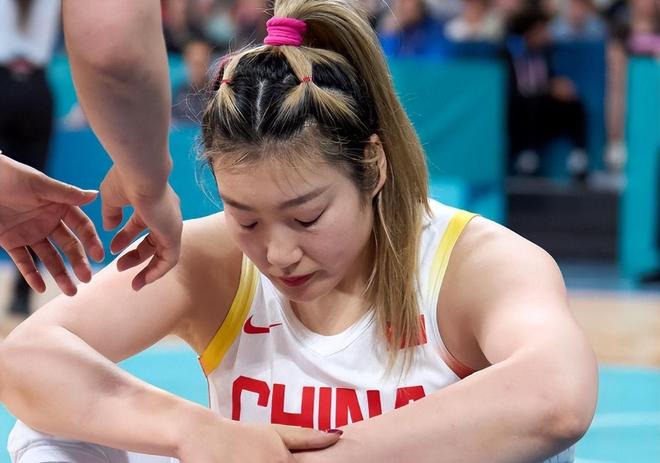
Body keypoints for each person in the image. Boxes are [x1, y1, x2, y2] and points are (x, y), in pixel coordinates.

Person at [0, 1, 598, 462]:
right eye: (245, 218)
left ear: (373, 167)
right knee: (47, 429)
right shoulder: (211, 256)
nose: (279, 253)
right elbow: (26, 358)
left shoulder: (474, 261)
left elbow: (557, 397)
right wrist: (191, 430)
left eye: (306, 217)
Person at [1, 0, 183, 294]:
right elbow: (109, 40)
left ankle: (22, 292)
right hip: (11, 82)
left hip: (36, 85)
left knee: (33, 194)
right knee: (33, 199)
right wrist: (149, 182)